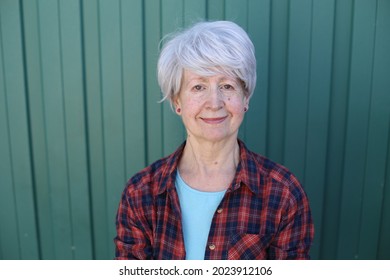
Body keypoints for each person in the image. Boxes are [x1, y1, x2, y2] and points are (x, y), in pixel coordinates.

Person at [115, 20, 314, 260]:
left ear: (246, 98)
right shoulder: (141, 193)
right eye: (198, 87)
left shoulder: (283, 194)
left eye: (227, 86)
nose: (215, 102)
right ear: (177, 101)